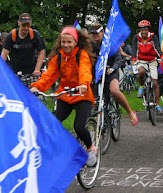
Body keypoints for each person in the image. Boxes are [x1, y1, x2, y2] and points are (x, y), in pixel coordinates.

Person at [30, 26, 97, 166]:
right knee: (53, 122)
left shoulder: (82, 54)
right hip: (65, 95)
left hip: (82, 95)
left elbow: (85, 70)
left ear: (75, 42)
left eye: (69, 42)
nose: (66, 45)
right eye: (63, 42)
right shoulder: (58, 57)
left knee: (79, 126)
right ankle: (58, 150)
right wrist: (37, 86)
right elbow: (49, 75)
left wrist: (84, 84)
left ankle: (91, 148)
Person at [89, 23, 138, 126]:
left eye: (96, 34)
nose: (95, 36)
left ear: (102, 32)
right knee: (92, 97)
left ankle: (130, 112)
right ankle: (97, 124)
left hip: (110, 72)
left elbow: (118, 59)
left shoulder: (110, 44)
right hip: (97, 74)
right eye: (92, 34)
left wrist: (113, 68)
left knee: (114, 91)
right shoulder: (90, 45)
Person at [131, 20, 163, 115]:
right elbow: (135, 49)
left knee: (155, 82)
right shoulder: (136, 38)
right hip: (141, 60)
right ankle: (141, 87)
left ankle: (157, 105)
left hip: (152, 61)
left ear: (148, 30)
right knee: (141, 72)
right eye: (142, 30)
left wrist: (162, 57)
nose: (144, 32)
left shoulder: (153, 37)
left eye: (145, 29)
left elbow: (157, 48)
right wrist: (133, 59)